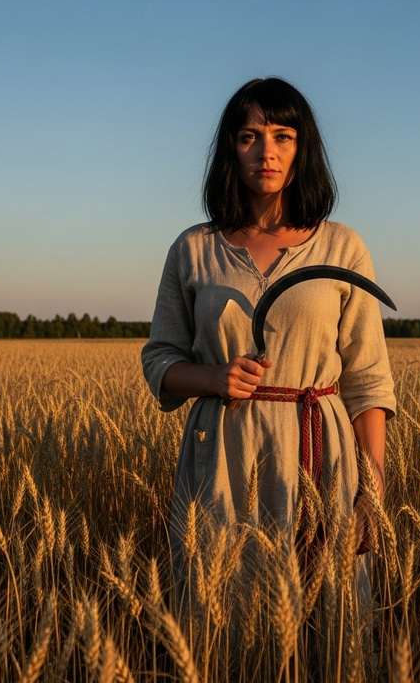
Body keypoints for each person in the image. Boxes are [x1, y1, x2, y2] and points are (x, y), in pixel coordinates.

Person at [141, 77, 396, 588]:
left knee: (328, 606)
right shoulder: (193, 249)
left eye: (283, 136)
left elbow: (367, 381)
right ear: (230, 150)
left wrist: (373, 492)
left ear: (304, 149)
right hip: (222, 456)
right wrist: (214, 378)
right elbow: (159, 360)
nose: (267, 152)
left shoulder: (342, 247)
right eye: (249, 137)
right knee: (219, 604)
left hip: (319, 455)